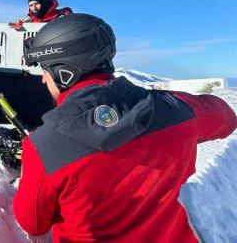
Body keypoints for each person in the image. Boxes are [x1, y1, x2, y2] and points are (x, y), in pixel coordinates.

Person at [14, 13, 237, 243]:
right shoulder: (178, 110)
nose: (43, 79)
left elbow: (33, 224)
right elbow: (226, 117)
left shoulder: (43, 146)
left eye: (45, 69)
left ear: (65, 72)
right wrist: (168, 101)